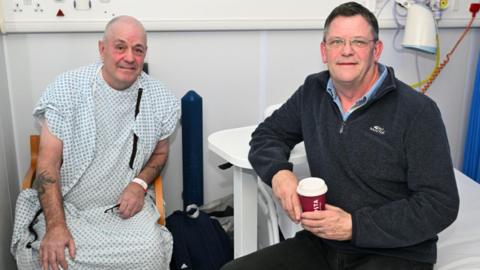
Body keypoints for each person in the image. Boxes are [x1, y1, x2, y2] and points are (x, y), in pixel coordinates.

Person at [222, 2, 459, 270]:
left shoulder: (417, 112)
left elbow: (440, 204)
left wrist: (354, 226)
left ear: (376, 50)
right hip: (325, 243)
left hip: (397, 252)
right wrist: (279, 173)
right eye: (336, 41)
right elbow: (268, 134)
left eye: (358, 41)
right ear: (324, 51)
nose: (346, 51)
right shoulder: (313, 91)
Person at [11, 16, 180, 270]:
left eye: (138, 50)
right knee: (56, 258)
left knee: (149, 252)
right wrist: (57, 226)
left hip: (122, 212)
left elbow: (160, 153)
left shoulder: (161, 99)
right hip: (67, 207)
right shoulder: (66, 89)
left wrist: (139, 183)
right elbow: (47, 164)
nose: (130, 57)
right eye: (120, 47)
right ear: (102, 49)